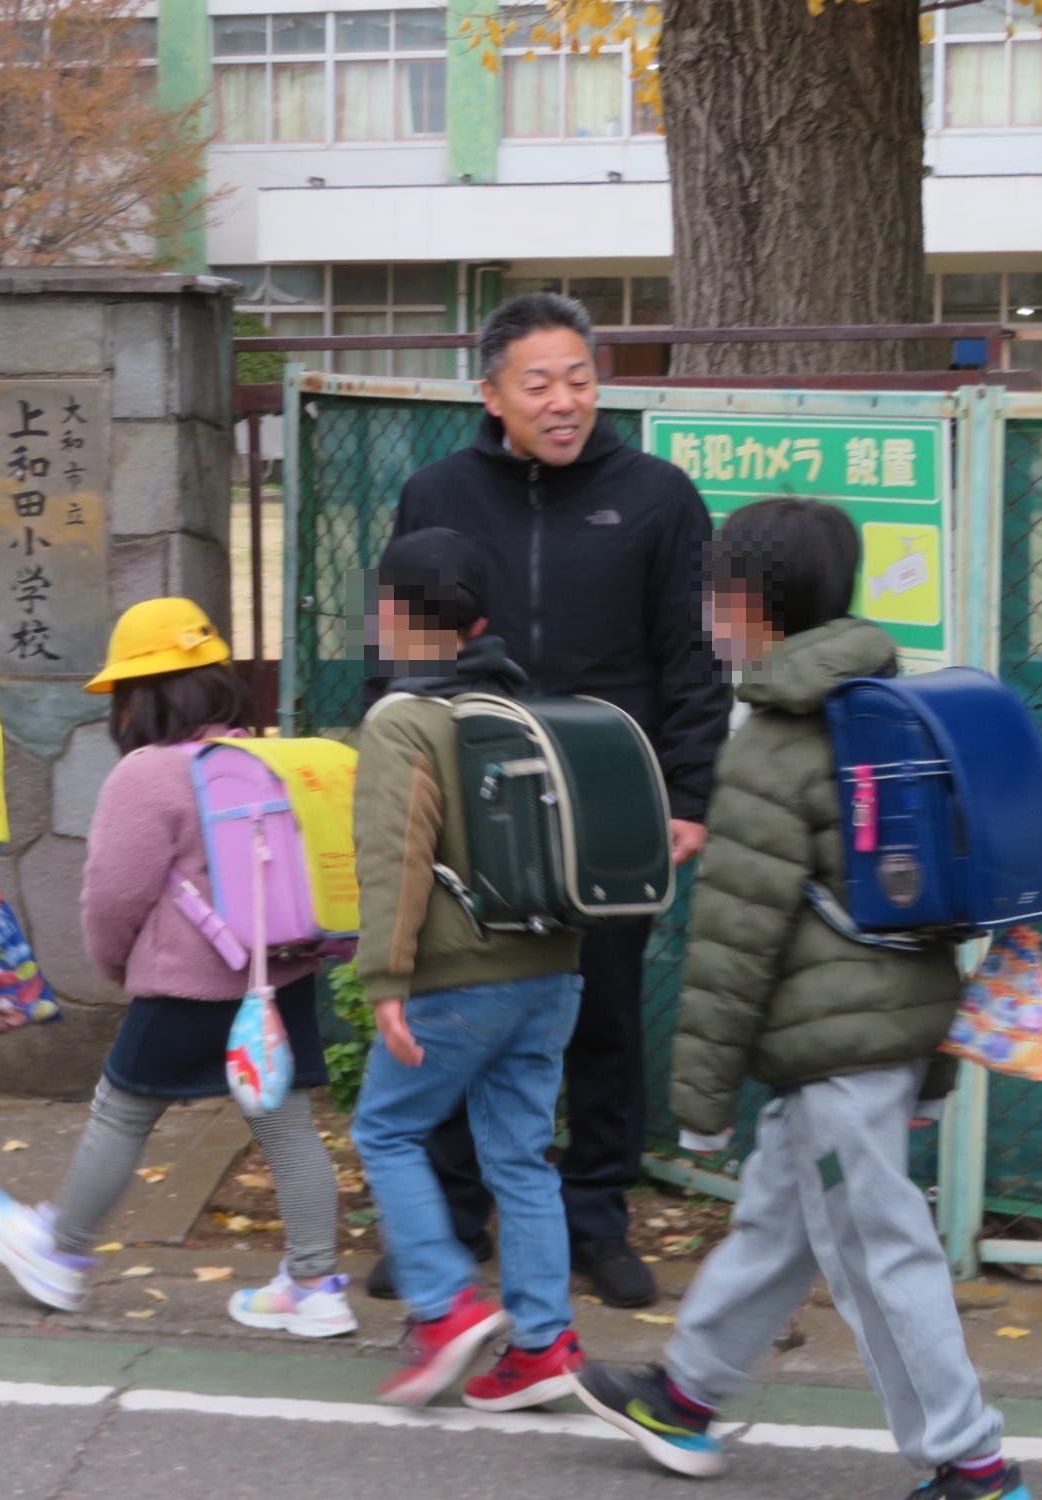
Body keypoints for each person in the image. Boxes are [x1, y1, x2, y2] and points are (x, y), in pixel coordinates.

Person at [576, 500, 1022, 1500]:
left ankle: (970, 1463)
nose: (702, 613)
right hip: (890, 1025)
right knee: (780, 1223)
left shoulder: (774, 742)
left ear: (747, 604)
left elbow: (734, 941)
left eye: (709, 593)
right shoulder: (883, 701)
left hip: (831, 1054)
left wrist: (694, 1104)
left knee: (875, 1254)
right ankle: (685, 1399)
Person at [385, 291, 731, 1309]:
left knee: (603, 1019)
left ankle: (595, 1220)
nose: (564, 400)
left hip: (608, 808)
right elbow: (398, 645)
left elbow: (693, 660)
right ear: (491, 395)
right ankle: (448, 1215)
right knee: (454, 1005)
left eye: (578, 378)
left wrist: (686, 794)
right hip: (468, 800)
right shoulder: (435, 493)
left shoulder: (658, 497)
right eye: (537, 383)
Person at [0, 599, 354, 1338]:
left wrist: (117, 964)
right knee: (287, 1123)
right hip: (280, 978)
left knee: (123, 1110)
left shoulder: (147, 776)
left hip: (189, 983)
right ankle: (314, 1285)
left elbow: (112, 895)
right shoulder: (263, 759)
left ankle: (61, 1249)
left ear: (137, 698)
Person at [348, 532, 588, 1406]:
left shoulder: (403, 719)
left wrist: (386, 980)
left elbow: (394, 859)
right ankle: (543, 1343)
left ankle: (445, 1308)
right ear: (481, 622)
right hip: (553, 968)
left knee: (387, 1130)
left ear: (387, 616)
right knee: (522, 1160)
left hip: (458, 976)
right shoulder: (528, 709)